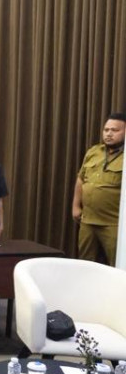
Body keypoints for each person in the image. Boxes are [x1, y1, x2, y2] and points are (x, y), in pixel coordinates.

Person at [71, 113, 124, 264]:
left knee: (117, 264)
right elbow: (81, 179)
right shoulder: (94, 152)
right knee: (86, 262)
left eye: (115, 130)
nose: (109, 134)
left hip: (114, 224)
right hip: (87, 220)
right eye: (106, 130)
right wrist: (75, 206)